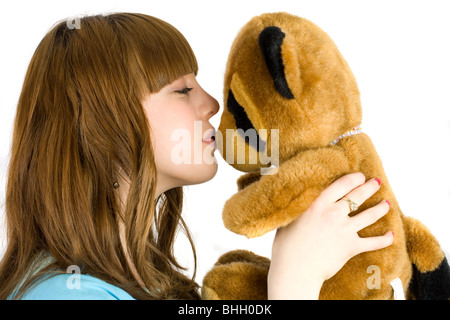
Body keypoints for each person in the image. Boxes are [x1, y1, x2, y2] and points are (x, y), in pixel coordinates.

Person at [0, 13, 393, 300]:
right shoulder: (66, 296)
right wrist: (295, 282)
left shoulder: (151, 283)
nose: (209, 104)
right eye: (182, 89)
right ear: (105, 123)